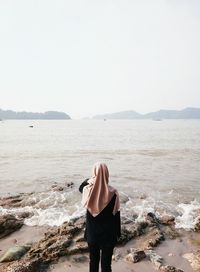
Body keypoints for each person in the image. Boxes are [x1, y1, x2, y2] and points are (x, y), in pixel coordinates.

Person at [79, 162, 121, 272]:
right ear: (107, 174)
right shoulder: (113, 193)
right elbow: (116, 215)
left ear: (93, 174)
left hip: (92, 235)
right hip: (109, 235)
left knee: (93, 262)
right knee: (106, 265)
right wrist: (118, 234)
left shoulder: (87, 191)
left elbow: (80, 187)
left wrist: (91, 179)